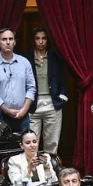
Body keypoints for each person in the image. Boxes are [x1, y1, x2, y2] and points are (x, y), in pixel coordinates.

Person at [0, 28, 35, 132]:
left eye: (11, 39)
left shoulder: (24, 62)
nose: (8, 42)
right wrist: (7, 110)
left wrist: (24, 110)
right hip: (0, 115)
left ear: (14, 42)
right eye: (4, 39)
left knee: (25, 141)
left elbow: (31, 88)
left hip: (23, 115)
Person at [28, 28, 68, 156]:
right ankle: (32, 167)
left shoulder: (55, 57)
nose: (41, 41)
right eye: (37, 38)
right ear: (33, 40)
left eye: (44, 38)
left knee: (52, 143)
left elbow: (63, 78)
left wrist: (62, 98)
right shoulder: (26, 58)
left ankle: (49, 166)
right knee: (30, 142)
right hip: (33, 103)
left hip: (52, 103)